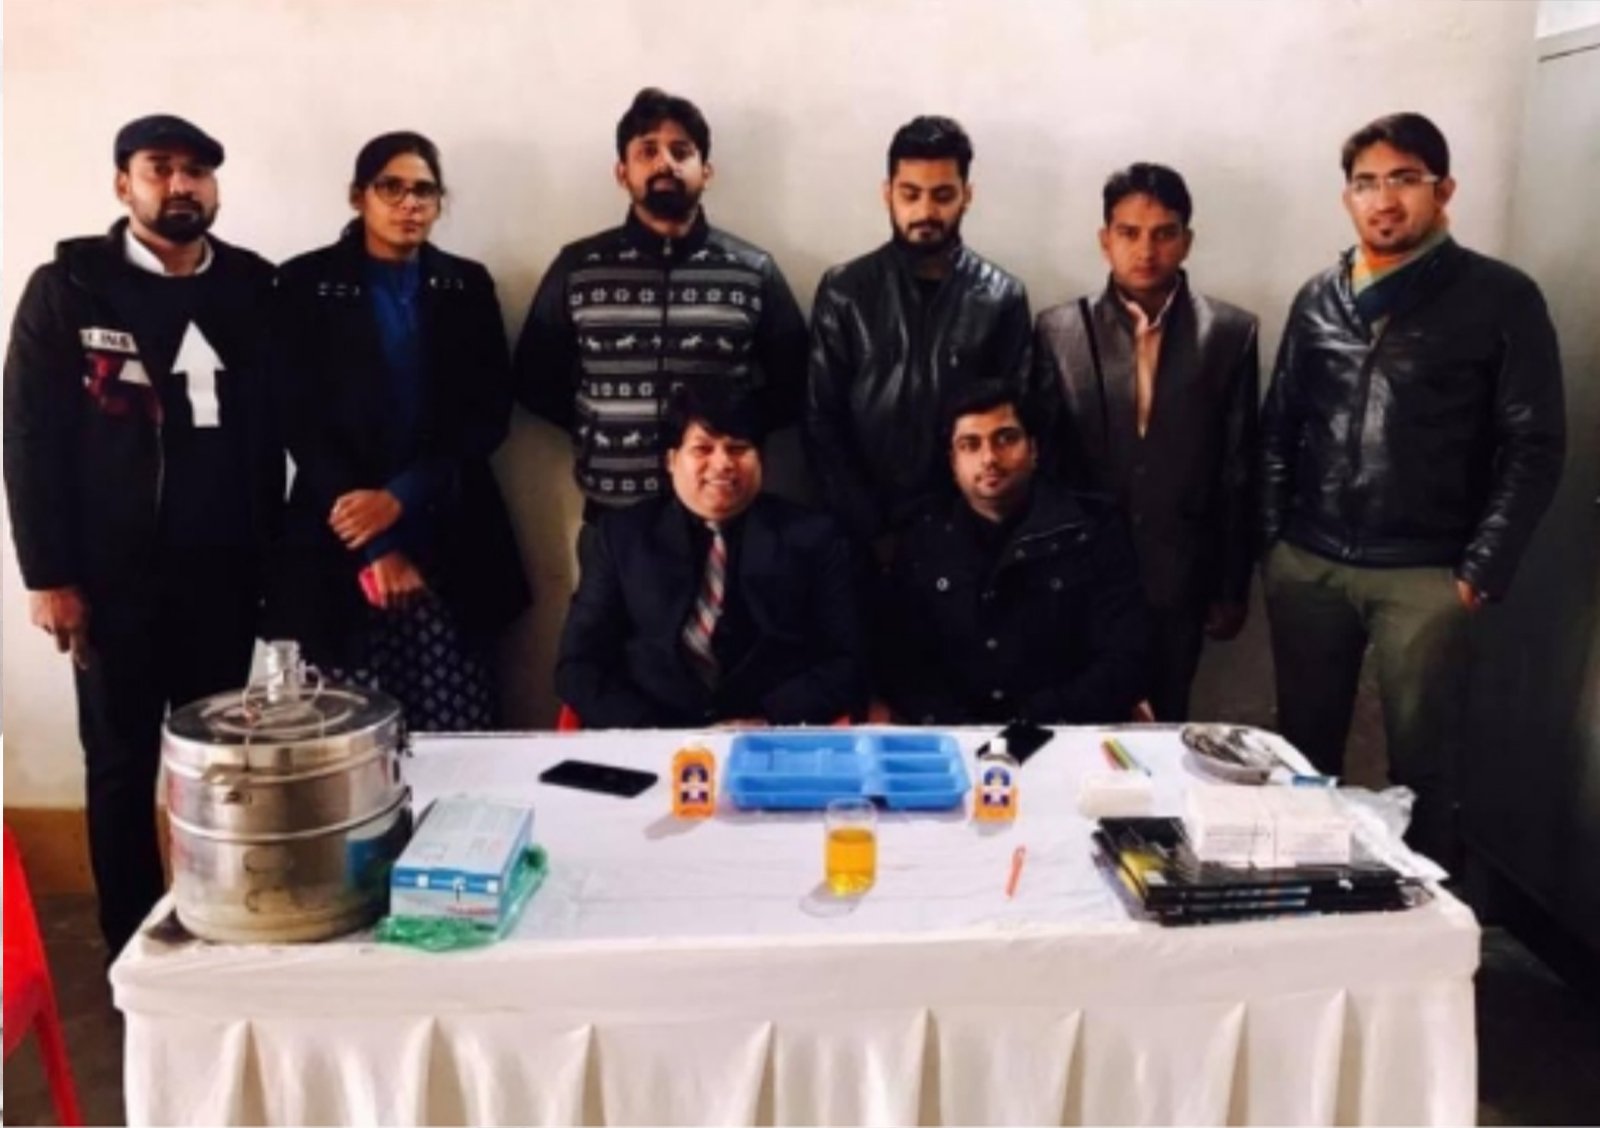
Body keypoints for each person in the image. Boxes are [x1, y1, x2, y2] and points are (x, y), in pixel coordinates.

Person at [2, 114, 280, 957]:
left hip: (224, 575)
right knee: (121, 767)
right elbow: (28, 437)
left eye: (197, 171)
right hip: (109, 582)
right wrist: (48, 575)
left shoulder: (253, 286)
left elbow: (278, 427)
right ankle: (132, 940)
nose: (181, 185)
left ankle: (217, 918)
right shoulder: (69, 288)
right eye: (161, 168)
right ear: (124, 183)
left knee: (216, 763)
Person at [1260, 112, 1565, 867]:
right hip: (1310, 562)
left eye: (1404, 179)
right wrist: (1273, 541)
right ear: (1348, 198)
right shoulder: (1319, 296)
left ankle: (1428, 915)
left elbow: (1534, 444)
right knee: (1300, 756)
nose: (1384, 199)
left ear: (1443, 190)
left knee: (1425, 767)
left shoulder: (1500, 297)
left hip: (1427, 572)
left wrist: (1480, 570)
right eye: (1366, 183)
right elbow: (1279, 426)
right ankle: (1305, 898)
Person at [269, 131, 529, 730]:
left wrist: (400, 499)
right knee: (348, 735)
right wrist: (378, 543)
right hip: (338, 538)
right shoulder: (304, 283)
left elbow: (487, 413)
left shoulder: (465, 284)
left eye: (424, 191)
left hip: (449, 527)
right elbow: (298, 418)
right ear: (358, 196)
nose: (410, 203)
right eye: (391, 187)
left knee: (458, 729)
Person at [515, 87, 807, 524]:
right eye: (647, 151)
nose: (665, 163)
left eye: (681, 151)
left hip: (722, 509)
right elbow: (533, 378)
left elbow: (796, 382)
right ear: (622, 172)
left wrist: (728, 431)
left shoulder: (752, 270)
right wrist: (596, 425)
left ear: (706, 171)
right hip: (614, 510)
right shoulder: (578, 268)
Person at [1034, 163, 1259, 722]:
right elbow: (1046, 466)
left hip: (1180, 575)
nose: (1146, 250)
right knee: (1075, 725)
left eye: (1163, 233)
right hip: (1080, 573)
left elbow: (1237, 469)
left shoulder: (1229, 333)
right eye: (1129, 233)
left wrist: (1232, 585)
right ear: (1104, 239)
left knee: (1165, 724)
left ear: (1187, 240)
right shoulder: (1059, 331)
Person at [556, 383, 866, 728]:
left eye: (738, 448)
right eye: (703, 448)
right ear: (672, 460)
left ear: (761, 460)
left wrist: (768, 720)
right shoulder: (621, 537)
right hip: (652, 734)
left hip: (768, 736)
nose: (722, 464)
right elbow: (578, 666)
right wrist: (654, 733)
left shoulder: (814, 538)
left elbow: (846, 662)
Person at [805, 115, 1038, 558]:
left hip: (969, 534)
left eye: (943, 195)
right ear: (887, 193)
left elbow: (1012, 429)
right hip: (860, 535)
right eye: (910, 194)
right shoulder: (845, 291)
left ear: (967, 195)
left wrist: (967, 526)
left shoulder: (1001, 296)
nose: (926, 212)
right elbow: (822, 422)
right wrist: (869, 528)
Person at [878, 381, 1150, 725]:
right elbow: (901, 661)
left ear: (1033, 449)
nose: (989, 458)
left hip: (1065, 731)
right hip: (956, 737)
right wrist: (960, 728)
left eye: (1006, 439)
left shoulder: (1091, 529)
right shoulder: (922, 540)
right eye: (970, 445)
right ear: (953, 462)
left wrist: (1031, 722)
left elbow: (1126, 657)